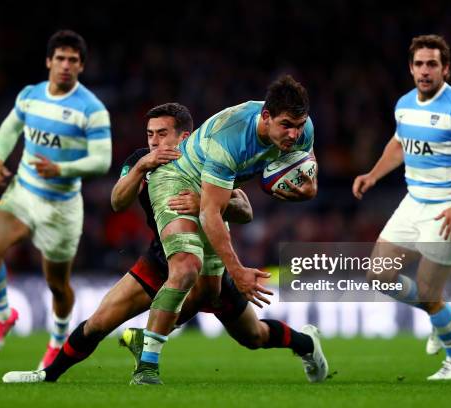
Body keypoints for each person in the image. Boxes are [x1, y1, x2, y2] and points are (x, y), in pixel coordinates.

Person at [1, 103, 327, 384]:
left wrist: (205, 202)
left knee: (253, 337)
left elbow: (245, 210)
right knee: (100, 321)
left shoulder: (208, 160)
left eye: (162, 134)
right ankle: (47, 375)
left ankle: (305, 343)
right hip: (161, 257)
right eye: (150, 134)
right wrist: (142, 166)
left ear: (184, 137)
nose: (154, 141)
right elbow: (117, 200)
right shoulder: (141, 160)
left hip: (208, 267)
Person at [135, 75, 319, 385]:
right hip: (177, 179)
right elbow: (209, 213)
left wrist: (307, 190)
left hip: (216, 191)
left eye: (299, 125)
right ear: (265, 117)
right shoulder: (230, 137)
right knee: (186, 265)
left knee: (245, 329)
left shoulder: (303, 130)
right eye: (286, 125)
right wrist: (239, 271)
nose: (294, 133)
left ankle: (306, 344)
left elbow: (310, 177)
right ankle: (147, 365)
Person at [352, 34, 451, 380]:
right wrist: (373, 174)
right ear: (411, 68)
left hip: (448, 209)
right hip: (412, 203)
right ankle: (444, 312)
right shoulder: (404, 104)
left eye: (432, 64)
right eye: (419, 64)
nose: (425, 71)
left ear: (446, 69)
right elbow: (399, 145)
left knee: (429, 292)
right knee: (379, 275)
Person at [0, 29, 111, 369]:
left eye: (73, 60)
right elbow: (10, 127)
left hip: (61, 208)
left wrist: (62, 168)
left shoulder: (91, 109)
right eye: (60, 58)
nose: (66, 65)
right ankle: (4, 314)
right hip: (23, 193)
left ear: (81, 67)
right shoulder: (31, 95)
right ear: (49, 61)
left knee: (57, 285)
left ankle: (58, 338)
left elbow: (102, 160)